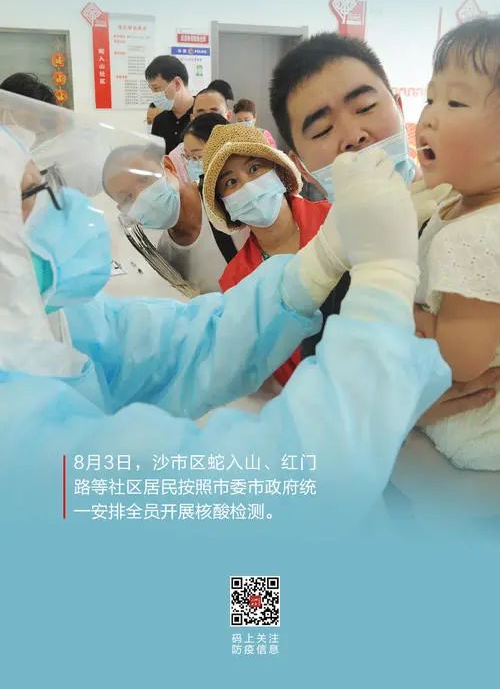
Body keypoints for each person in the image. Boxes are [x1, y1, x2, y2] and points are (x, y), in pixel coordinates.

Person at [0, 122, 451, 529]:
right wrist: (385, 278)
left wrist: (320, 259)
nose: (65, 204)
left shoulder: (58, 317)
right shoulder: (24, 445)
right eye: (34, 192)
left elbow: (194, 340)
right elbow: (285, 484)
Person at [269, 30, 500, 426]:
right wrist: (392, 414)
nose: (353, 137)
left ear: (399, 106)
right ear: (301, 166)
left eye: (365, 107)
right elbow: (328, 396)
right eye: (322, 130)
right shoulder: (329, 271)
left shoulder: (472, 212)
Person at [414, 17, 500, 470]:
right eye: (430, 98)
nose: (428, 116)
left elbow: (460, 363)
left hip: (473, 445)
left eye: (454, 102)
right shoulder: (454, 206)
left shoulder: (474, 236)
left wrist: (394, 305)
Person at [203, 123, 330, 385]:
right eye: (231, 182)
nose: (248, 186)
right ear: (226, 207)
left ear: (278, 172)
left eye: (254, 168)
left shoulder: (334, 220)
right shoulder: (236, 281)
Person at [103, 116, 247, 293]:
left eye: (144, 179)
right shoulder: (164, 253)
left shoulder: (229, 206)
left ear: (169, 166)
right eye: (127, 198)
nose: (142, 196)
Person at [169, 88, 231, 185]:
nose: (207, 120)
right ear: (192, 119)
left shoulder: (244, 149)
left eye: (214, 113)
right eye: (200, 115)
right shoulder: (177, 157)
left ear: (228, 116)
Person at [145, 55, 194, 154]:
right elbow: (154, 158)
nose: (155, 95)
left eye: (156, 88)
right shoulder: (159, 120)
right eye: (152, 90)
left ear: (177, 84)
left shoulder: (203, 113)